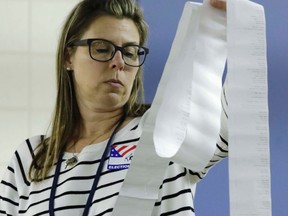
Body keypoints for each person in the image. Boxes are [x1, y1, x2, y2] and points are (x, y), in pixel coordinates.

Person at [0, 0, 228, 215]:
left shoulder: (164, 133)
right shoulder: (31, 158)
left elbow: (234, 123)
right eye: (101, 49)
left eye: (129, 52)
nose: (119, 62)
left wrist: (231, 23)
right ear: (68, 57)